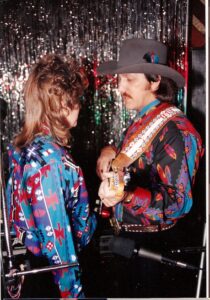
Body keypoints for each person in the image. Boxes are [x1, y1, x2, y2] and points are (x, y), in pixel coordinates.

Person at [96, 38, 204, 297]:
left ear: (155, 80)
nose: (120, 87)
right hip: (127, 247)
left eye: (130, 79)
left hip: (154, 254)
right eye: (119, 80)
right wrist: (108, 151)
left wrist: (127, 196)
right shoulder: (143, 122)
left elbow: (178, 204)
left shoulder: (176, 131)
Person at [6, 54, 97, 298]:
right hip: (53, 280)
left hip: (32, 270)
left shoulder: (24, 149)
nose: (79, 107)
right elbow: (59, 249)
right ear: (63, 106)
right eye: (78, 100)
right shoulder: (51, 163)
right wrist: (73, 294)